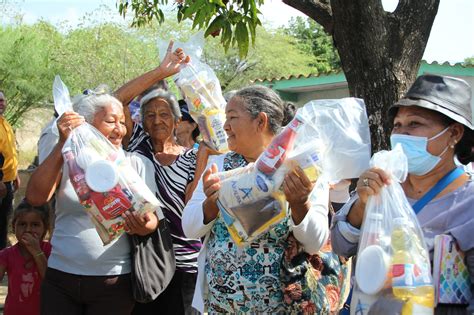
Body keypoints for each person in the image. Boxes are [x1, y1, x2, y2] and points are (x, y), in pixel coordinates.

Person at [330, 74, 474, 314]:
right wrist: (363, 204)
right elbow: (340, 246)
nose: (401, 133)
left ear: (454, 134)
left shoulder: (468, 203)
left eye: (415, 124)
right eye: (397, 125)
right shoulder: (383, 184)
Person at [182, 85, 330, 313]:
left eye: (232, 117)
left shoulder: (301, 168)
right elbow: (189, 228)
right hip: (220, 305)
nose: (225, 126)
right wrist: (211, 204)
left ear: (260, 121)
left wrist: (300, 204)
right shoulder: (219, 166)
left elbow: (314, 242)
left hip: (280, 306)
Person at [25, 89, 160, 314]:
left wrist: (142, 226)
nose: (119, 129)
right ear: (86, 125)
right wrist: (62, 144)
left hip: (114, 280)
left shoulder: (136, 164)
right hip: (61, 277)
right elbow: (35, 197)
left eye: (123, 122)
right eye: (110, 121)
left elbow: (152, 223)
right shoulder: (69, 163)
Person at [125, 88, 202, 315]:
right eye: (150, 115)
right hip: (148, 259)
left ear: (177, 121)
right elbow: (119, 100)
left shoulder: (191, 158)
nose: (157, 120)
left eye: (164, 114)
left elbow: (192, 203)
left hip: (185, 261)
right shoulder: (140, 147)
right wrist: (162, 70)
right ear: (142, 121)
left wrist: (204, 154)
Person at [0, 200, 51, 315]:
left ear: (45, 228)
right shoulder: (7, 254)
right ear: (14, 227)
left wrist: (37, 252)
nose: (28, 229)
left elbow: (50, 281)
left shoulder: (50, 250)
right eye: (22, 224)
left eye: (35, 225)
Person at [0, 90, 20, 249]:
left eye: (2, 100)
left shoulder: (5, 123)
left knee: (4, 219)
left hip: (8, 181)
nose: (1, 103)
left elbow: (10, 151)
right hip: (1, 182)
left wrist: (15, 173)